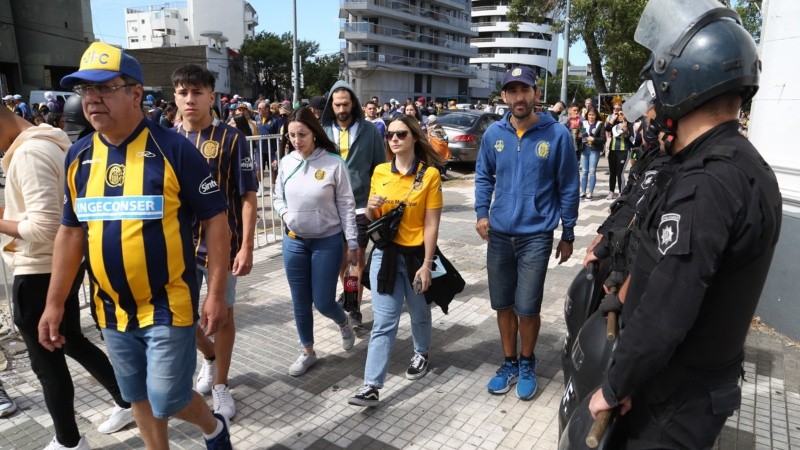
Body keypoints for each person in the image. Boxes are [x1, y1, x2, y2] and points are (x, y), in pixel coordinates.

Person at [587, 1, 782, 448]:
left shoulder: (707, 184)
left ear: (684, 81)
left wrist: (615, 387)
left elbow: (666, 312)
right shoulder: (748, 167)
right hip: (691, 392)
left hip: (671, 402)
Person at [37, 42, 233, 449]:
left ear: (135, 94)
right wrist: (55, 303)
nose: (91, 99)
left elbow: (217, 222)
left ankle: (214, 428)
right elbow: (71, 233)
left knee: (169, 397)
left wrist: (215, 293)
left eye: (104, 88)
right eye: (84, 91)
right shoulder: (78, 156)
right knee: (137, 395)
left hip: (168, 302)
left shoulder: (175, 149)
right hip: (110, 308)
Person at [0, 90, 136, 450]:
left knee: (46, 360)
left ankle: (69, 441)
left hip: (39, 268)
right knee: (71, 339)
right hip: (59, 264)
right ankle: (126, 400)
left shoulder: (29, 153)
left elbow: (46, 228)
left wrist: (2, 221)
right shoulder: (47, 142)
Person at [474, 65, 579, 400]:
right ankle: (508, 362)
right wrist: (480, 212)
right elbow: (483, 176)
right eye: (512, 91)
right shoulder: (494, 134)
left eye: (525, 90)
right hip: (500, 235)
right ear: (504, 96)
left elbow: (568, 186)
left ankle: (527, 362)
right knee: (503, 305)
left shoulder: (557, 135)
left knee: (527, 306)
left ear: (536, 94)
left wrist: (569, 231)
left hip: (536, 235)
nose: (519, 97)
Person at [172, 64, 258, 421]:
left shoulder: (232, 138)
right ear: (174, 96)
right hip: (177, 246)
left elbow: (248, 195)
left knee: (222, 316)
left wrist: (247, 246)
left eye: (196, 92)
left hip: (223, 246)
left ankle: (221, 385)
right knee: (180, 317)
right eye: (182, 93)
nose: (189, 100)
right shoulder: (167, 138)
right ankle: (209, 357)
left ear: (212, 96)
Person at [348, 114, 443, 407]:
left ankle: (421, 352)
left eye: (401, 134)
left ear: (414, 136)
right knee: (384, 323)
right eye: (390, 135)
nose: (395, 139)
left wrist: (427, 264)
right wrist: (371, 209)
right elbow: (374, 220)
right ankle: (371, 386)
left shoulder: (429, 175)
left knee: (418, 312)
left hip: (416, 257)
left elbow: (431, 224)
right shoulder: (379, 172)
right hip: (385, 257)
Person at [273, 107, 358, 376]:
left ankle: (343, 321)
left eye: (302, 134)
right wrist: (286, 214)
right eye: (292, 135)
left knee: (322, 301)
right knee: (299, 300)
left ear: (314, 133)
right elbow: (277, 198)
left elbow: (346, 204)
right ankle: (307, 351)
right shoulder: (287, 162)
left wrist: (352, 241)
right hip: (294, 241)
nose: (297, 140)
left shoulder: (333, 162)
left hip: (327, 241)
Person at [321, 80, 386, 328]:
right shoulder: (323, 131)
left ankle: (353, 306)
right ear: (331, 105)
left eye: (345, 104)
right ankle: (349, 294)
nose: (341, 109)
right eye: (336, 104)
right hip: (331, 207)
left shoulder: (369, 131)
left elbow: (380, 168)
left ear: (354, 104)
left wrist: (377, 202)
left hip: (360, 206)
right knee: (341, 261)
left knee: (355, 260)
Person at [605, 102, 632, 200]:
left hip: (624, 150)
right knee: (612, 172)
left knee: (620, 172)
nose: (618, 114)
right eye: (615, 110)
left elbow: (632, 137)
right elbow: (607, 128)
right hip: (612, 149)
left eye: (620, 111)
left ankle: (621, 192)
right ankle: (611, 192)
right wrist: (613, 118)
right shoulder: (613, 121)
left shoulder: (629, 122)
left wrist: (626, 129)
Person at [579, 107, 606, 199]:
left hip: (594, 150)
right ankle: (583, 191)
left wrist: (594, 139)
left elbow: (603, 139)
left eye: (593, 115)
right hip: (584, 149)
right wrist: (582, 136)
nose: (591, 117)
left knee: (592, 171)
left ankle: (590, 192)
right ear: (587, 115)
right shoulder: (583, 123)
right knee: (584, 171)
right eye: (589, 115)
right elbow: (583, 134)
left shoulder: (600, 124)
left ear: (596, 115)